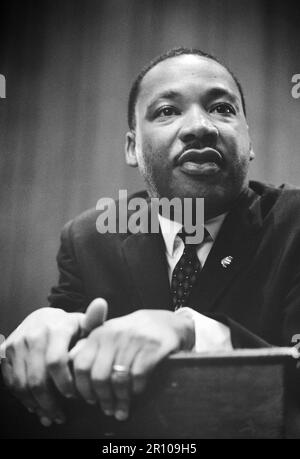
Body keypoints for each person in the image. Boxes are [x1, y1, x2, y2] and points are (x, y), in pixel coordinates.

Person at [1, 47, 300, 429]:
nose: (201, 126)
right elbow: (68, 356)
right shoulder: (90, 238)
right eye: (167, 111)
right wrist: (50, 326)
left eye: (222, 108)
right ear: (132, 148)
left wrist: (189, 330)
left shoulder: (294, 221)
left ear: (249, 141)